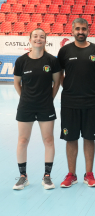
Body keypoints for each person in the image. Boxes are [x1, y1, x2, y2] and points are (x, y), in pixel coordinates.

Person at [57, 18, 95, 188]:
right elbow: (60, 75)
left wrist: (90, 87)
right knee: (71, 138)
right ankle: (72, 174)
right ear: (72, 30)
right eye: (77, 29)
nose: (80, 32)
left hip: (92, 102)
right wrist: (70, 88)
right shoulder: (64, 51)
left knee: (89, 138)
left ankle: (89, 174)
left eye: (84, 29)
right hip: (69, 102)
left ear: (88, 30)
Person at [12, 28, 61, 190]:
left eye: (42, 37)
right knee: (22, 140)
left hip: (45, 106)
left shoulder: (51, 60)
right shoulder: (21, 61)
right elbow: (17, 83)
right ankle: (23, 177)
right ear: (30, 39)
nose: (38, 39)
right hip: (26, 106)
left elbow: (57, 83)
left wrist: (49, 99)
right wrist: (25, 97)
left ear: (45, 40)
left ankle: (47, 177)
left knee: (48, 140)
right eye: (35, 36)